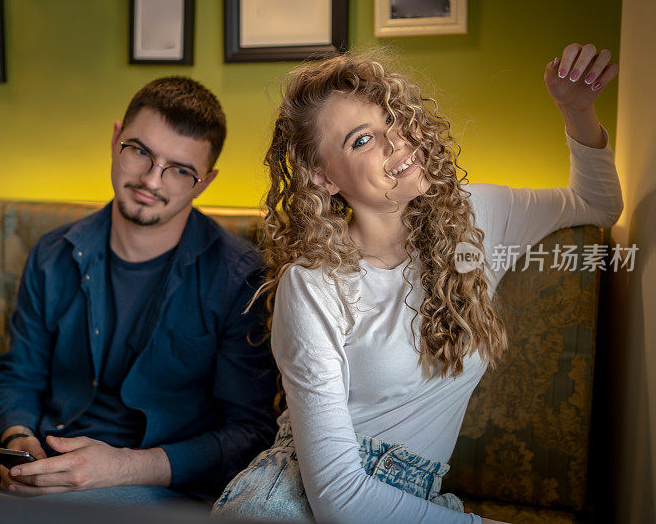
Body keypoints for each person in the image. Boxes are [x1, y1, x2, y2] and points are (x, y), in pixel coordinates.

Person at [211, 43, 622, 524]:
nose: (397, 143)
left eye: (394, 119)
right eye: (362, 141)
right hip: (291, 502)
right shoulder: (313, 284)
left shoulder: (478, 216)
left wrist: (577, 111)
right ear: (322, 178)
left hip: (411, 499)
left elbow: (596, 204)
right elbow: (338, 499)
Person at [0, 77, 278, 508]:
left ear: (204, 182)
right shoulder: (52, 255)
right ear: (115, 139)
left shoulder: (240, 278)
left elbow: (250, 434)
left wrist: (122, 467)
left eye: (179, 170)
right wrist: (19, 441)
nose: (151, 181)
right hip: (43, 470)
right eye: (140, 151)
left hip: (161, 487)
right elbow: (18, 377)